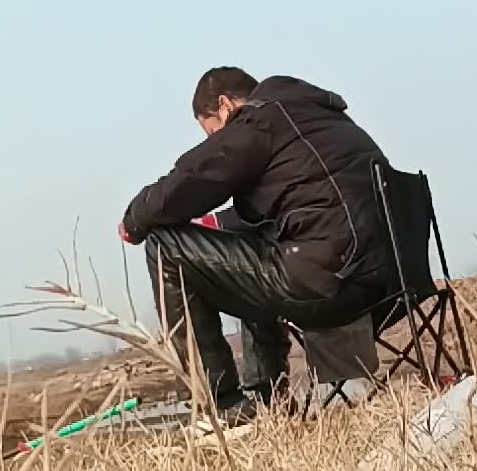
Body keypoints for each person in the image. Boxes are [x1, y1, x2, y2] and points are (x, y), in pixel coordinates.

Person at [117, 67, 391, 424]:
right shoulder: (318, 118)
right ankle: (265, 396)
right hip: (384, 280)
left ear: (225, 105)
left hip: (329, 282)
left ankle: (222, 405)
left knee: (164, 245)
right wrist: (214, 225)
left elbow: (194, 178)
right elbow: (307, 202)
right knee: (253, 250)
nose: (216, 141)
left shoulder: (260, 119)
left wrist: (136, 218)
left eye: (212, 133)